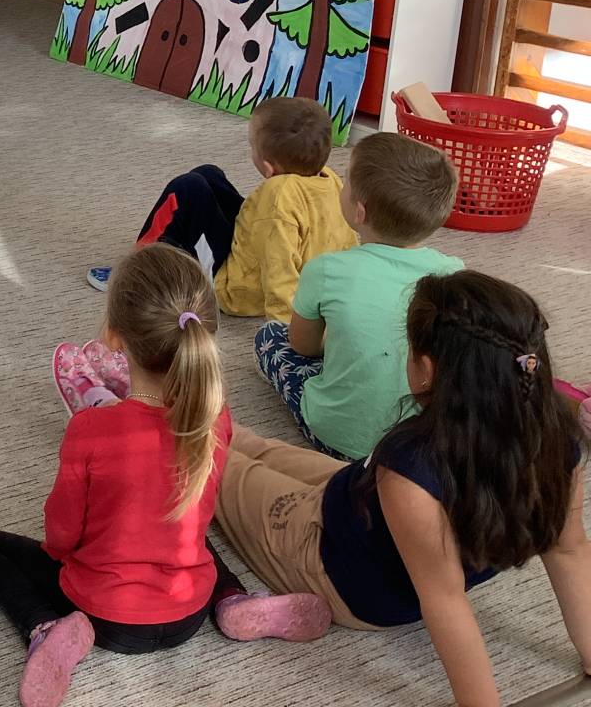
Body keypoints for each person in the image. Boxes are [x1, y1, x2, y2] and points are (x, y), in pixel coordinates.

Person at [217, 271, 591, 707]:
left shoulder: (412, 467)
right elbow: (571, 552)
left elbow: (446, 602)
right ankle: (195, 416)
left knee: (210, 461)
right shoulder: (560, 442)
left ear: (426, 371)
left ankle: (166, 418)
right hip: (355, 497)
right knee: (248, 443)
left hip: (330, 559)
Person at [0, 245, 330, 706]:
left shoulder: (91, 428)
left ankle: (46, 628)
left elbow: (63, 530)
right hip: (189, 610)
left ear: (114, 336)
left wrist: (62, 557)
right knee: (192, 537)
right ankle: (232, 600)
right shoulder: (215, 418)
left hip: (104, 617)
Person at [255, 133, 460, 459]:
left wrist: (339, 338)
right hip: (414, 449)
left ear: (360, 212)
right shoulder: (455, 274)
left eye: (346, 179)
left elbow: (302, 345)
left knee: (269, 335)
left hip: (338, 439)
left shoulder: (325, 270)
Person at [87, 97, 356, 323]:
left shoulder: (278, 199)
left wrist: (285, 325)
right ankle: (166, 251)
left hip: (234, 288)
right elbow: (345, 238)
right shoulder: (328, 178)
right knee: (208, 174)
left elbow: (279, 265)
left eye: (252, 146)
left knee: (187, 188)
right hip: (254, 255)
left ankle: (136, 273)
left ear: (269, 168)